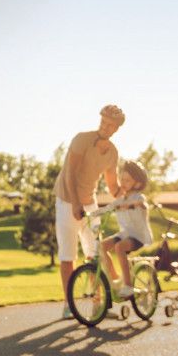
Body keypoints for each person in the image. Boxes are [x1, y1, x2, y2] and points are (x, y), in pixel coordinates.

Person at [54, 104, 125, 319]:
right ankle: (69, 305)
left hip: (90, 204)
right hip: (67, 201)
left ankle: (98, 305)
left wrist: (129, 195)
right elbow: (69, 174)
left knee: (95, 254)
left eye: (110, 125)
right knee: (68, 256)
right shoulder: (81, 140)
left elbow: (113, 186)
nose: (104, 126)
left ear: (116, 129)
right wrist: (76, 204)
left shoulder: (112, 152)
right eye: (103, 121)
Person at [99, 160, 154, 297]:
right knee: (101, 247)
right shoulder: (121, 199)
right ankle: (116, 279)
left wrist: (132, 205)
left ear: (138, 184)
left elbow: (142, 203)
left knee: (119, 247)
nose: (123, 183)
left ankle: (128, 286)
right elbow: (107, 208)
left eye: (127, 180)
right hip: (125, 234)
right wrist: (89, 213)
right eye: (122, 179)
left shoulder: (139, 197)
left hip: (138, 237)